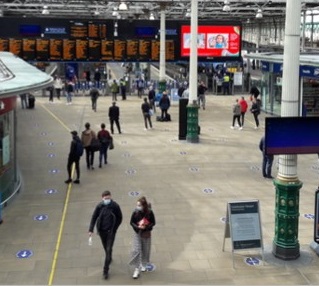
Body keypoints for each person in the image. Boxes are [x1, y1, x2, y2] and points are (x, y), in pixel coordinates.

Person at [88, 190, 123, 280]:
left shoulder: (115, 206)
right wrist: (91, 229)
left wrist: (114, 228)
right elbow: (94, 217)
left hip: (110, 232)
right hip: (102, 232)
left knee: (108, 250)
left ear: (110, 197)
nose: (107, 200)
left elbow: (120, 217)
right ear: (102, 198)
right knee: (106, 248)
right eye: (105, 198)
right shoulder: (99, 206)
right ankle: (109, 257)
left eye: (108, 198)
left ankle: (105, 271)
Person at [129, 196, 156, 279]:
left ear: (144, 205)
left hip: (146, 234)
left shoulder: (150, 212)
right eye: (137, 205)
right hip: (137, 234)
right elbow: (131, 222)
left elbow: (153, 222)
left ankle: (144, 264)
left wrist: (146, 227)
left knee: (145, 249)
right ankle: (137, 269)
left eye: (139, 205)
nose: (138, 207)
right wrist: (137, 227)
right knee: (137, 250)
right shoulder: (135, 212)